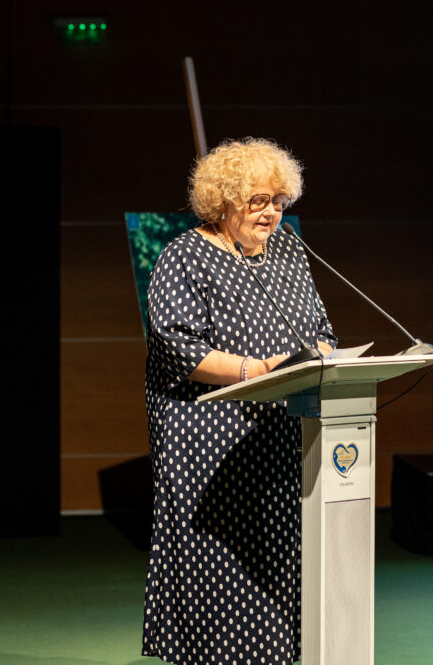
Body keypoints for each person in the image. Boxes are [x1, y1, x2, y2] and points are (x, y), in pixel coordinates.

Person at [142, 138, 337, 664]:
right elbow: (176, 345)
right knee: (224, 567)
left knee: (280, 561)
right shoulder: (185, 256)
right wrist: (258, 369)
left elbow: (321, 328)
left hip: (280, 431)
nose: (271, 212)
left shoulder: (289, 250)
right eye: (258, 201)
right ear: (223, 200)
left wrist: (321, 355)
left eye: (278, 201)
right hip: (210, 437)